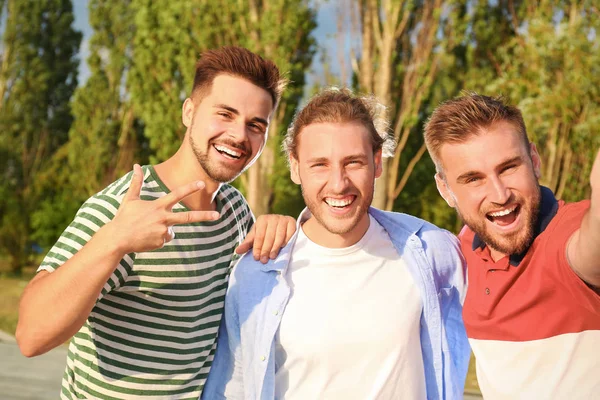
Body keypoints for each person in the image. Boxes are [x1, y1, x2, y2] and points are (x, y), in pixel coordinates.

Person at [16, 46, 296, 399]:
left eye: (256, 125)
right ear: (189, 112)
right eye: (225, 114)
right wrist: (115, 240)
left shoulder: (235, 210)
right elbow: (30, 335)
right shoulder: (123, 207)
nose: (240, 135)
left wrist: (279, 227)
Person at [202, 88, 470, 400]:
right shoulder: (255, 274)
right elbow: (231, 389)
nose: (338, 183)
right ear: (295, 167)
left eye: (353, 162)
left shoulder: (432, 251)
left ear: (377, 162)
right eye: (319, 164)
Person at [424, 93, 600, 399]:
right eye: (473, 179)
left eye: (508, 168)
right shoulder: (460, 250)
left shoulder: (570, 237)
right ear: (446, 189)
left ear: (534, 161)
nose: (500, 194)